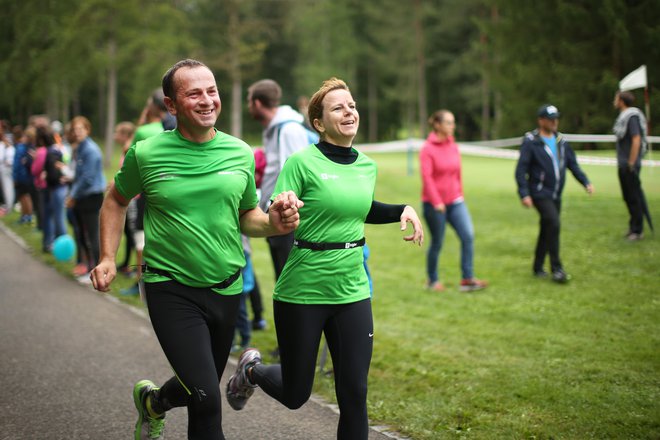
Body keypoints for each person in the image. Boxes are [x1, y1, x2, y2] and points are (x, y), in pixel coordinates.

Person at [89, 58, 303, 440]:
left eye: (212, 91)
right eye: (194, 94)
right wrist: (107, 256)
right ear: (171, 105)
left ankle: (154, 402)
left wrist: (273, 223)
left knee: (198, 385)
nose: (207, 101)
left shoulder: (238, 152)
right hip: (170, 287)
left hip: (227, 286)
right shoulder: (147, 153)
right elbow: (116, 199)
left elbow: (247, 215)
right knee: (206, 398)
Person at [226, 77, 424, 440]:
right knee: (295, 393)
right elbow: (276, 203)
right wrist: (284, 205)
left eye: (351, 105)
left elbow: (358, 208)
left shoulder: (366, 165)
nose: (349, 111)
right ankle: (251, 371)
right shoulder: (301, 162)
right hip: (304, 289)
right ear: (319, 123)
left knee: (355, 394)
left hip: (352, 290)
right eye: (338, 107)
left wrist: (402, 209)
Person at [515, 104, 594, 283]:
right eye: (550, 119)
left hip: (556, 193)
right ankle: (557, 268)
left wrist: (585, 182)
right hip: (540, 193)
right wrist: (524, 194)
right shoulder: (531, 141)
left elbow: (572, 165)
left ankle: (537, 266)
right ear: (541, 121)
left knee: (547, 228)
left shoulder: (562, 142)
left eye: (556, 119)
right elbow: (521, 170)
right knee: (554, 224)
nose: (554, 122)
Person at [419, 110, 488, 292]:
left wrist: (460, 195)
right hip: (434, 205)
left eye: (453, 122)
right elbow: (427, 178)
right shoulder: (427, 149)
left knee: (468, 235)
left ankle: (467, 279)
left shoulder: (453, 145)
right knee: (437, 242)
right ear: (438, 125)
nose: (452, 126)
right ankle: (432, 280)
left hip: (456, 201)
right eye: (449, 122)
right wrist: (437, 202)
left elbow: (457, 174)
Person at [67, 116, 106, 277]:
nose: (77, 133)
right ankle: (86, 266)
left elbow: (87, 179)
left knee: (92, 235)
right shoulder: (80, 147)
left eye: (80, 129)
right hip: (82, 196)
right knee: (82, 233)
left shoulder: (91, 150)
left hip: (91, 197)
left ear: (87, 130)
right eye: (75, 130)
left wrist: (73, 195)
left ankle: (96, 271)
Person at [613, 90, 650, 241]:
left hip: (630, 164)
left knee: (634, 196)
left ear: (621, 101)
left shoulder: (631, 117)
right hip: (624, 163)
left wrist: (631, 162)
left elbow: (636, 139)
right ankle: (633, 226)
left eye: (616, 98)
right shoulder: (624, 117)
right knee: (628, 196)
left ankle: (637, 230)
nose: (614, 101)